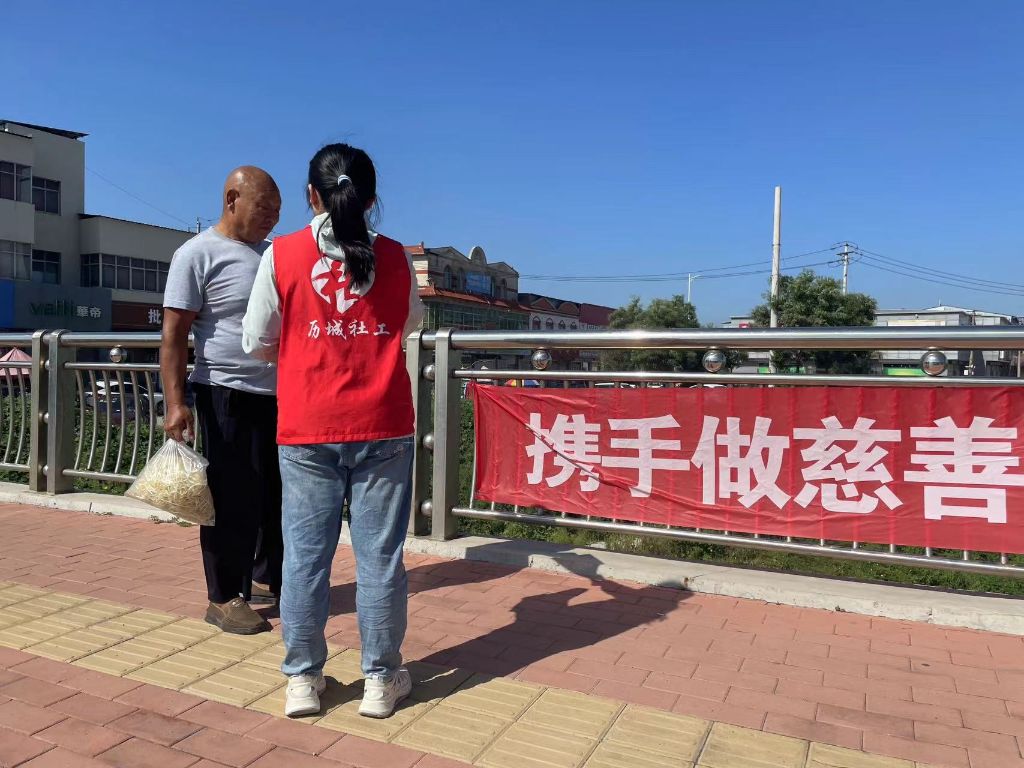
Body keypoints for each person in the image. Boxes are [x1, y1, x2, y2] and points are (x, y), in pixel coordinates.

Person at [242, 143, 424, 719]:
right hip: (383, 423)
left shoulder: (282, 254)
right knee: (380, 559)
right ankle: (381, 679)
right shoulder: (396, 258)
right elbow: (410, 323)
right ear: (371, 200)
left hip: (307, 425)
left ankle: (302, 678)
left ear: (311, 196)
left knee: (304, 559)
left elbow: (255, 340)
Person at [161, 166, 284, 635]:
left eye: (277, 211)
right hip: (225, 392)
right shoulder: (196, 254)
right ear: (232, 200)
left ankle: (265, 579)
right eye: (264, 208)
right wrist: (176, 403)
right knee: (231, 499)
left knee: (276, 494)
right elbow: (174, 334)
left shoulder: (274, 254)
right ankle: (223, 596)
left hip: (279, 394)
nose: (271, 218)